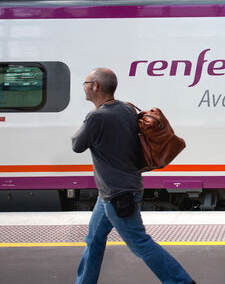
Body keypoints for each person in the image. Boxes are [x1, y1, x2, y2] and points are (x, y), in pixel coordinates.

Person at [72, 68, 195, 284]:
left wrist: (90, 117)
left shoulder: (96, 117)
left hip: (118, 194)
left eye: (86, 82)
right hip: (112, 192)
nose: (84, 86)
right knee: (94, 238)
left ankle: (181, 281)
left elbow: (77, 145)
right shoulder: (126, 108)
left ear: (95, 86)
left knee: (140, 243)